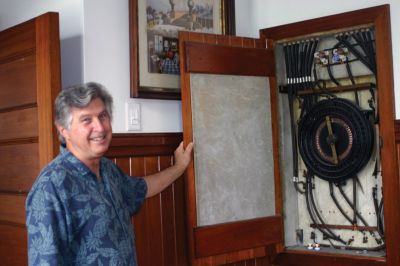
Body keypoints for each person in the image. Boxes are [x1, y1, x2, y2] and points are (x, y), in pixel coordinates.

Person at [25, 82, 193, 265]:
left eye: (102, 116)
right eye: (86, 120)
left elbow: (142, 188)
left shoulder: (108, 169)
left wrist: (180, 167)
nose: (100, 127)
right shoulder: (50, 187)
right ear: (63, 130)